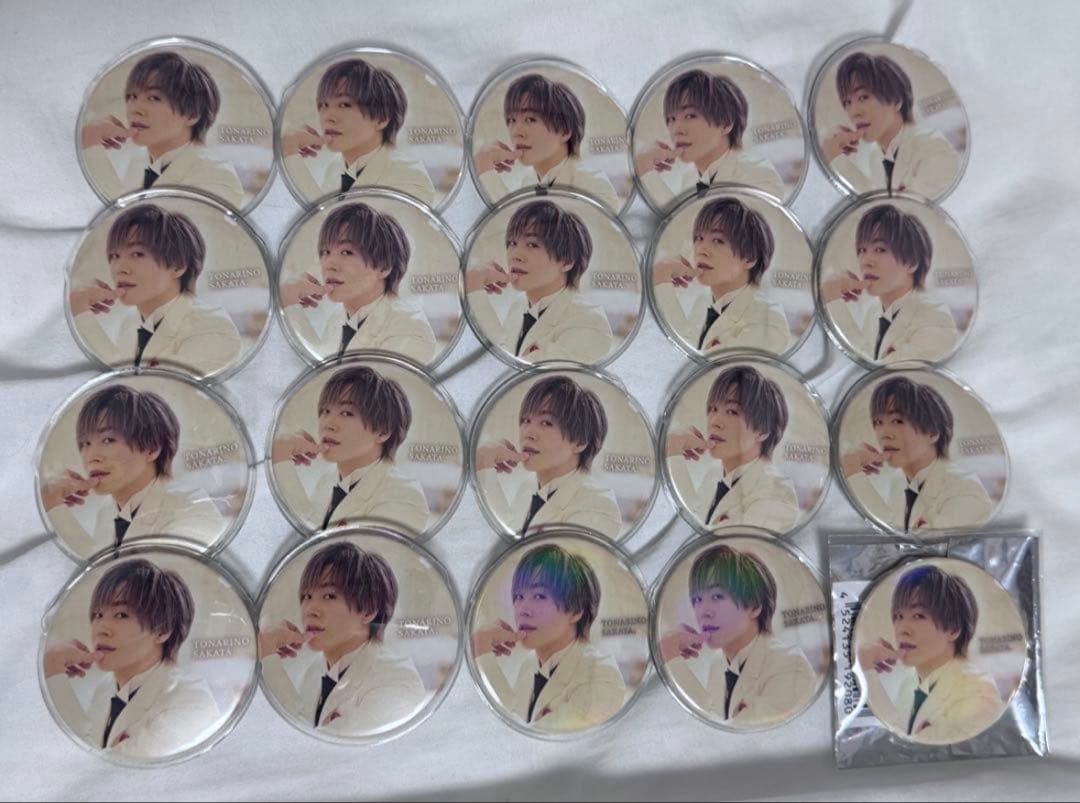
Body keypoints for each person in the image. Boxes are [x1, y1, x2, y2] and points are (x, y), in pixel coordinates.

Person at [43, 558, 219, 758]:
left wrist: (53, 670)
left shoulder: (193, 702)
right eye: (98, 614)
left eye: (121, 615)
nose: (101, 629)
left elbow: (102, 767)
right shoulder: (106, 688)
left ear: (162, 630)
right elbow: (89, 746)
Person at [259, 541, 426, 735]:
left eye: (329, 596)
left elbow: (312, 745)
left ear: (368, 610)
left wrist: (268, 656)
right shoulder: (314, 671)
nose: (310, 610)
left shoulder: (397, 681)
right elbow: (299, 723)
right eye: (306, 596)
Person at [42, 385, 225, 557]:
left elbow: (143, 572)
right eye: (85, 443)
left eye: (108, 440)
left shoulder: (194, 510)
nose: (91, 457)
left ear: (152, 448)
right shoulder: (107, 513)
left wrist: (54, 508)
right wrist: (52, 502)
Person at [69, 203, 243, 377]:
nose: (120, 268)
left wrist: (82, 316)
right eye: (115, 255)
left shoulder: (212, 328)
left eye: (137, 254)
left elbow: (146, 388)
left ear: (178, 266)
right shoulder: (131, 323)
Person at [472, 543, 626, 731]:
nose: (523, 610)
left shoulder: (601, 676)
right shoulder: (530, 664)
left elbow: (524, 739)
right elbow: (515, 716)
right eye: (519, 596)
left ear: (576, 610)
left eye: (539, 596)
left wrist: (481, 651)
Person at [659, 544, 817, 727]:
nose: (703, 611)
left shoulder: (791, 667)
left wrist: (669, 654)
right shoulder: (719, 663)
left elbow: (723, 737)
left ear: (755, 606)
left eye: (717, 596)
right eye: (697, 599)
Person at [271, 365, 430, 534]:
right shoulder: (328, 481)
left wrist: (281, 458)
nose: (328, 424)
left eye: (346, 413)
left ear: (383, 431)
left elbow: (329, 547)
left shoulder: (403, 496)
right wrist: (281, 456)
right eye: (326, 411)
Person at [857, 563, 1004, 743]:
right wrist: (865, 669)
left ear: (953, 629)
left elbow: (916, 751)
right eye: (898, 616)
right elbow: (897, 732)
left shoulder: (979, 693)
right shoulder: (910, 682)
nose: (902, 629)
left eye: (918, 616)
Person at [80, 51, 244, 208]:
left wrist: (91, 146)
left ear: (192, 114)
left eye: (153, 98)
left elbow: (135, 223)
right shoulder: (139, 162)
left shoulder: (217, 177)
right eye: (132, 96)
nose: (135, 109)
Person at [279, 202, 437, 364]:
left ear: (384, 267)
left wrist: (289, 304)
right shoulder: (340, 317)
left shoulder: (410, 332)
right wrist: (288, 299)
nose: (329, 264)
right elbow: (321, 360)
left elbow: (336, 377)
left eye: (346, 252)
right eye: (326, 251)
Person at [466, 199, 614, 363]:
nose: (515, 255)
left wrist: (474, 290)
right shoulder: (520, 305)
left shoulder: (589, 322)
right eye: (512, 243)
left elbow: (509, 371)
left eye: (532, 245)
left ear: (567, 261)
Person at [841, 375, 994, 532]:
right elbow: (895, 529)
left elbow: (905, 542)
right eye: (878, 422)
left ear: (932, 432)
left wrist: (851, 469)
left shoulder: (965, 493)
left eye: (897, 421)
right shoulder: (900, 482)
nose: (884, 434)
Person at [475, 375, 621, 539]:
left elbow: (522, 553)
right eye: (526, 420)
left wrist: (484, 468)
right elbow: (508, 532)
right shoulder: (530, 486)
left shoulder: (597, 507)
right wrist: (484, 465)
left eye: (546, 423)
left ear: (580, 442)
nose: (528, 433)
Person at [281, 58, 436, 205]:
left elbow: (329, 222)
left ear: (382, 119)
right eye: (324, 105)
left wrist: (291, 155)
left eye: (344, 105)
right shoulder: (335, 167)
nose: (328, 117)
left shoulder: (410, 178)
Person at [652, 196, 792, 355]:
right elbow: (682, 346)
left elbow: (698, 365)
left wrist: (661, 283)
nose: (701, 250)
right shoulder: (703, 301)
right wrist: (662, 281)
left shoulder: (768, 320)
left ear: (750, 258)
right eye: (699, 238)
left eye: (718, 240)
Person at [666, 365, 800, 532]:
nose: (714, 421)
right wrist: (673, 450)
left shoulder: (777, 493)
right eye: (713, 409)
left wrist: (673, 453)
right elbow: (694, 518)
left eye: (731, 411)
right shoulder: (715, 474)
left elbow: (714, 543)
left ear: (763, 431)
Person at [821, 203, 959, 363]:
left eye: (880, 249)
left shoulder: (935, 320)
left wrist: (833, 300)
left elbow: (876, 371)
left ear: (911, 262)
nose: (866, 261)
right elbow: (865, 354)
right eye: (862, 250)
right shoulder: (874, 311)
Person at [820, 51, 961, 199]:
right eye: (847, 102)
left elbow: (898, 209)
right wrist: (833, 156)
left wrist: (836, 159)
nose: (854, 112)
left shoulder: (933, 150)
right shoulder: (876, 158)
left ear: (896, 100)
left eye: (863, 97)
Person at [637, 69, 785, 206]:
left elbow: (691, 221)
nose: (676, 130)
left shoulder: (758, 176)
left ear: (726, 123)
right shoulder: (690, 177)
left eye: (690, 116)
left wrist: (645, 170)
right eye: (671, 119)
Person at [474, 73, 620, 210]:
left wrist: (485, 170)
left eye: (530, 119)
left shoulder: (594, 187)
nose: (516, 132)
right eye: (511, 120)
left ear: (564, 130)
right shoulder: (529, 182)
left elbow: (526, 224)